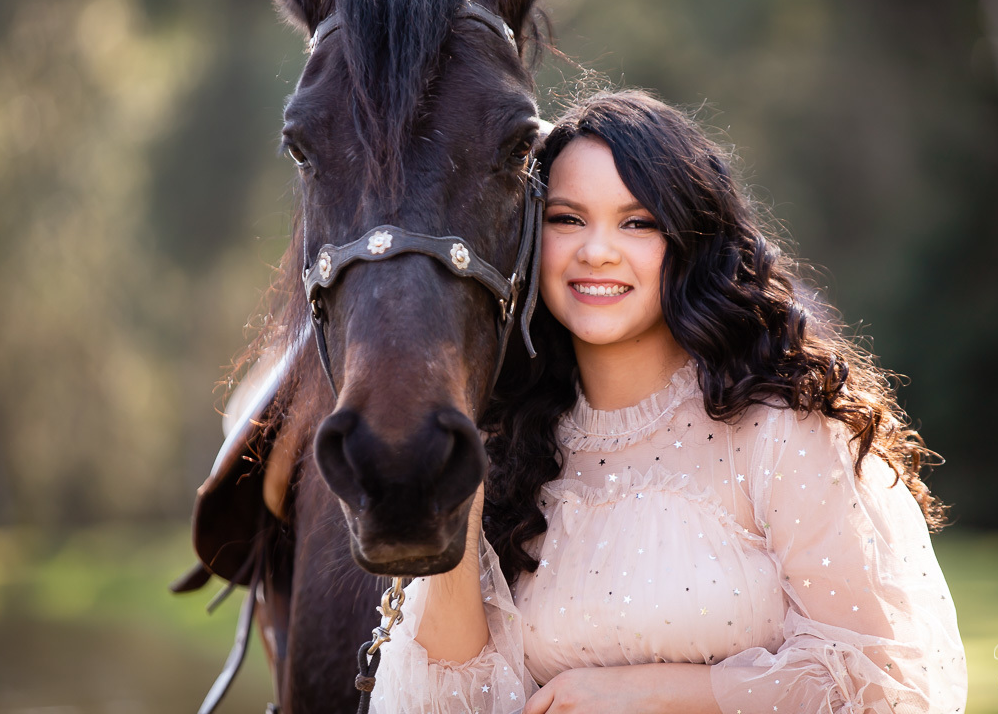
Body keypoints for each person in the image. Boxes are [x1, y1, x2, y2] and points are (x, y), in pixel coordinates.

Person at [373, 90, 967, 713]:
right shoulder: (504, 445)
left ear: (690, 239)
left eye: (637, 222)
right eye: (567, 219)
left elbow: (884, 680)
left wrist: (654, 696)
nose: (596, 251)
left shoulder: (782, 427)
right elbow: (444, 700)